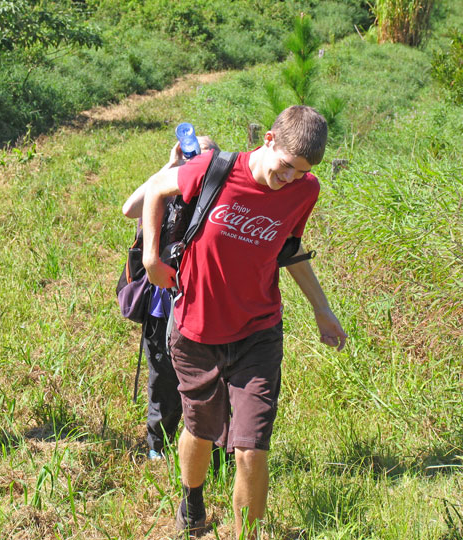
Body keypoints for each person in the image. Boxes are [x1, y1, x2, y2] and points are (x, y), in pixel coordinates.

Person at [141, 106, 347, 537]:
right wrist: (151, 258)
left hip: (259, 331)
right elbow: (156, 191)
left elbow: (288, 247)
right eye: (286, 166)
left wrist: (321, 309)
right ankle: (192, 499)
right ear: (268, 140)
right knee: (200, 430)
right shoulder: (214, 169)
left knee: (251, 450)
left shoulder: (305, 191)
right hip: (197, 328)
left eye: (301, 172)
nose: (290, 178)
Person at [122, 137, 220, 462]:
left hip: (205, 305)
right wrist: (170, 167)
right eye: (193, 158)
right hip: (163, 304)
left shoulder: (220, 198)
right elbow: (129, 209)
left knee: (205, 376)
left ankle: (208, 446)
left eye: (207, 159)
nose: (199, 167)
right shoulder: (168, 193)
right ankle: (158, 444)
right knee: (163, 374)